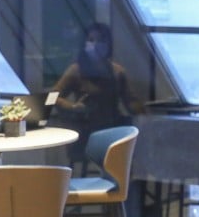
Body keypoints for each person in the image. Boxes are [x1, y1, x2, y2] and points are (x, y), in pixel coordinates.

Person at [51, 22, 140, 166]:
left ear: (109, 44)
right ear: (85, 43)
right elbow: (52, 97)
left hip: (112, 130)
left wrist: (146, 114)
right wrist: (73, 107)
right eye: (91, 40)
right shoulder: (76, 70)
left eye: (101, 40)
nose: (96, 44)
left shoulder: (117, 72)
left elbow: (131, 102)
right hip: (86, 133)